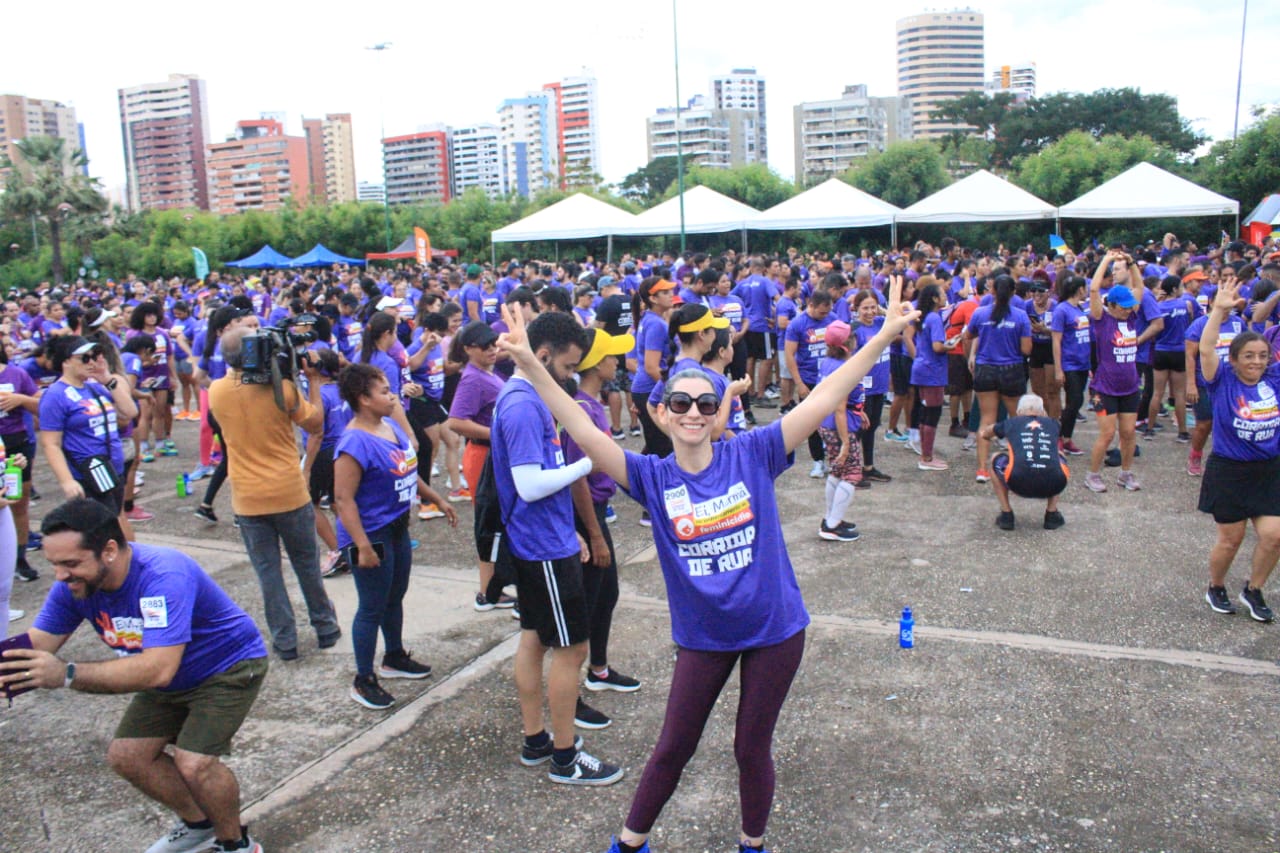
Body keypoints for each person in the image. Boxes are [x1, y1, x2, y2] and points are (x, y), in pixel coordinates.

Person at [494, 278, 917, 853]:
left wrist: (883, 337)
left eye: (706, 404)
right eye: (680, 403)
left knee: (751, 748)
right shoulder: (650, 475)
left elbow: (824, 396)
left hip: (774, 630)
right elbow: (583, 428)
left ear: (721, 414)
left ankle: (752, 845)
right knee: (673, 745)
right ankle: (629, 844)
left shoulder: (754, 452)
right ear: (662, 414)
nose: (693, 412)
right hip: (704, 636)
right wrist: (532, 369)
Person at [0, 498, 268, 853]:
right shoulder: (73, 586)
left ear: (109, 550)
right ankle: (199, 824)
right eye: (53, 564)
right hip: (168, 675)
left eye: (70, 563)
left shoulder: (162, 576)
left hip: (227, 667)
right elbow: (36, 644)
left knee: (195, 763)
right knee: (128, 757)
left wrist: (66, 674)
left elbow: (158, 669)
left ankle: (236, 843)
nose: (61, 575)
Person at [490, 311, 624, 786]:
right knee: (571, 649)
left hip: (539, 541)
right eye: (567, 368)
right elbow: (528, 485)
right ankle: (565, 757)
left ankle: (536, 740)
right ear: (541, 356)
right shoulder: (524, 404)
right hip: (542, 546)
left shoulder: (524, 395)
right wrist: (586, 462)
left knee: (533, 637)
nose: (570, 377)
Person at [208, 326, 342, 661]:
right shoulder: (281, 389)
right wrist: (309, 379)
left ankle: (285, 642)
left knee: (268, 574)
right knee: (306, 565)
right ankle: (325, 627)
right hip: (288, 491)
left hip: (248, 499)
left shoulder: (216, 391)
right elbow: (314, 423)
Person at [332, 362, 457, 709]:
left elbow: (406, 470)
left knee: (395, 595)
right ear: (363, 399)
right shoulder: (353, 443)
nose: (392, 396)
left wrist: (436, 498)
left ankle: (395, 656)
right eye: (384, 391)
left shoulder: (389, 426)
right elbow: (343, 500)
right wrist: (361, 546)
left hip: (397, 527)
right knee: (371, 606)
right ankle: (363, 678)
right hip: (371, 534)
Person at [563, 328, 643, 704]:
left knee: (605, 592)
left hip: (594, 508)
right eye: (612, 356)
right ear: (595, 365)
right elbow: (577, 476)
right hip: (584, 513)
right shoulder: (580, 409)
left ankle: (598, 669)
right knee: (589, 597)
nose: (618, 361)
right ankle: (577, 686)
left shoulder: (591, 404)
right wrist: (594, 534)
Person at [1195, 280, 1280, 621]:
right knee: (1231, 540)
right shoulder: (1222, 380)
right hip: (1229, 470)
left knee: (1274, 537)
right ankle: (1216, 586)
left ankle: (1254, 589)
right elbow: (1204, 349)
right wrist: (1219, 310)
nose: (1256, 362)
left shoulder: (1274, 379)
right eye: (1248, 356)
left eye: (1262, 356)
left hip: (1269, 470)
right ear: (1233, 360)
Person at [444, 321, 515, 610]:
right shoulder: (473, 378)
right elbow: (457, 421)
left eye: (493, 343)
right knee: (488, 525)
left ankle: (492, 587)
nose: (491, 349)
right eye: (485, 345)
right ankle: (488, 591)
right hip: (483, 456)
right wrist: (498, 433)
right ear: (468, 349)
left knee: (495, 522)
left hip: (491, 456)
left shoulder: (486, 371)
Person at [37, 337, 139, 525]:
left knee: (114, 519)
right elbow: (50, 444)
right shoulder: (56, 395)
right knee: (102, 527)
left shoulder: (93, 387)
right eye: (84, 358)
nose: (91, 362)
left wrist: (108, 380)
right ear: (66, 361)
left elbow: (130, 411)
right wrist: (67, 481)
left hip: (112, 467)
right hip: (88, 471)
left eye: (94, 357)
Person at [1083, 253, 1144, 493]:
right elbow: (1094, 290)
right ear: (1112, 306)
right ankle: (1093, 475)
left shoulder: (1131, 318)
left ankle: (1125, 473)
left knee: (1129, 433)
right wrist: (1105, 262)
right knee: (1108, 433)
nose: (1129, 310)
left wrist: (1130, 264)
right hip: (1104, 388)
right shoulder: (1101, 319)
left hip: (1129, 386)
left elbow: (1139, 286)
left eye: (1130, 306)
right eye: (1124, 307)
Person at [965, 276, 1031, 484]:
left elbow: (968, 335)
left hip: (986, 370)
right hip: (1012, 370)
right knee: (1016, 419)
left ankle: (983, 469)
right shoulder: (1021, 316)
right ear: (1013, 293)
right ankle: (1018, 464)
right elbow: (1026, 349)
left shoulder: (980, 313)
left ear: (992, 291)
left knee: (986, 420)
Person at [979, 393, 1068, 531]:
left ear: (1019, 412)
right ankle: (1051, 514)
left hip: (1018, 482)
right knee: (1057, 457)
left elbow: (985, 433)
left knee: (995, 457)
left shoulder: (1011, 422)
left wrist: (994, 435)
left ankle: (1006, 514)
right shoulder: (1054, 423)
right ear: (1042, 412)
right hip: (1054, 483)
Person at [816, 321, 866, 541]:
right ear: (848, 343)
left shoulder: (827, 362)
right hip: (838, 426)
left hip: (824, 423)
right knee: (852, 472)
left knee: (837, 470)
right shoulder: (845, 368)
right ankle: (832, 525)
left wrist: (857, 410)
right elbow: (839, 408)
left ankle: (831, 517)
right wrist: (846, 442)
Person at [1050, 275, 1091, 456]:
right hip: (1069, 363)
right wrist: (1059, 369)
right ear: (1079, 289)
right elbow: (1056, 340)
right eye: (1085, 287)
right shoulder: (1062, 310)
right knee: (1074, 400)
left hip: (1083, 363)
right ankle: (1059, 438)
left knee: (1077, 401)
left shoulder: (1080, 308)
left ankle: (1067, 438)